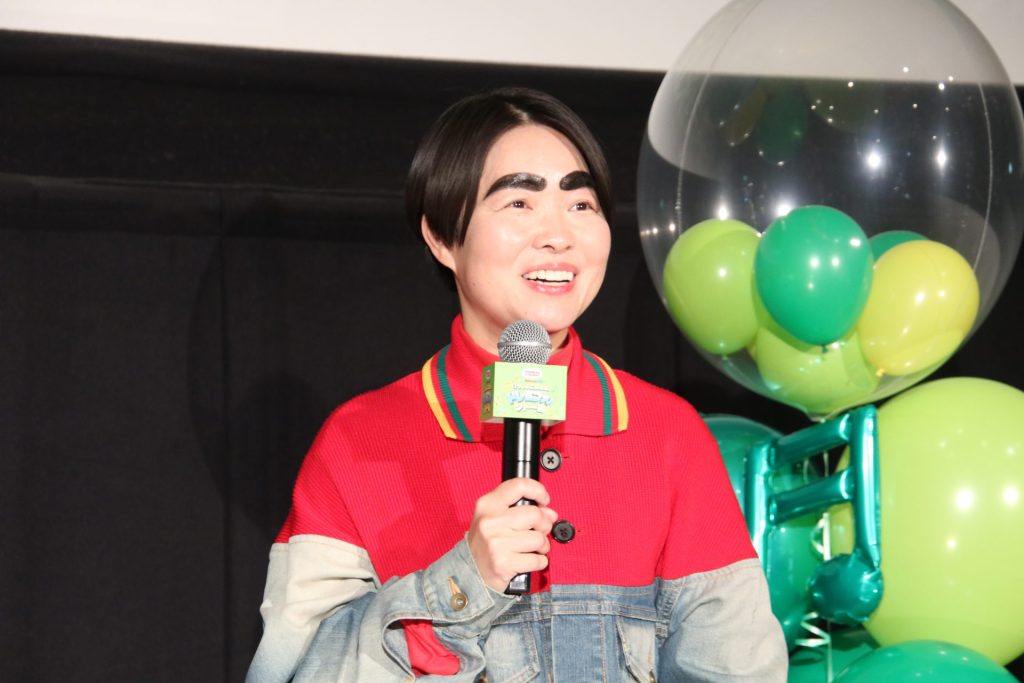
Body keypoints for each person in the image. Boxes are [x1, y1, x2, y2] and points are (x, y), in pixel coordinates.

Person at [246, 87, 787, 682]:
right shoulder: (359, 440)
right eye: (519, 203)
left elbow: (736, 669)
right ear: (442, 237)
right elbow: (291, 671)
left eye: (580, 204)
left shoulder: (666, 431)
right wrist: (462, 582)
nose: (558, 235)